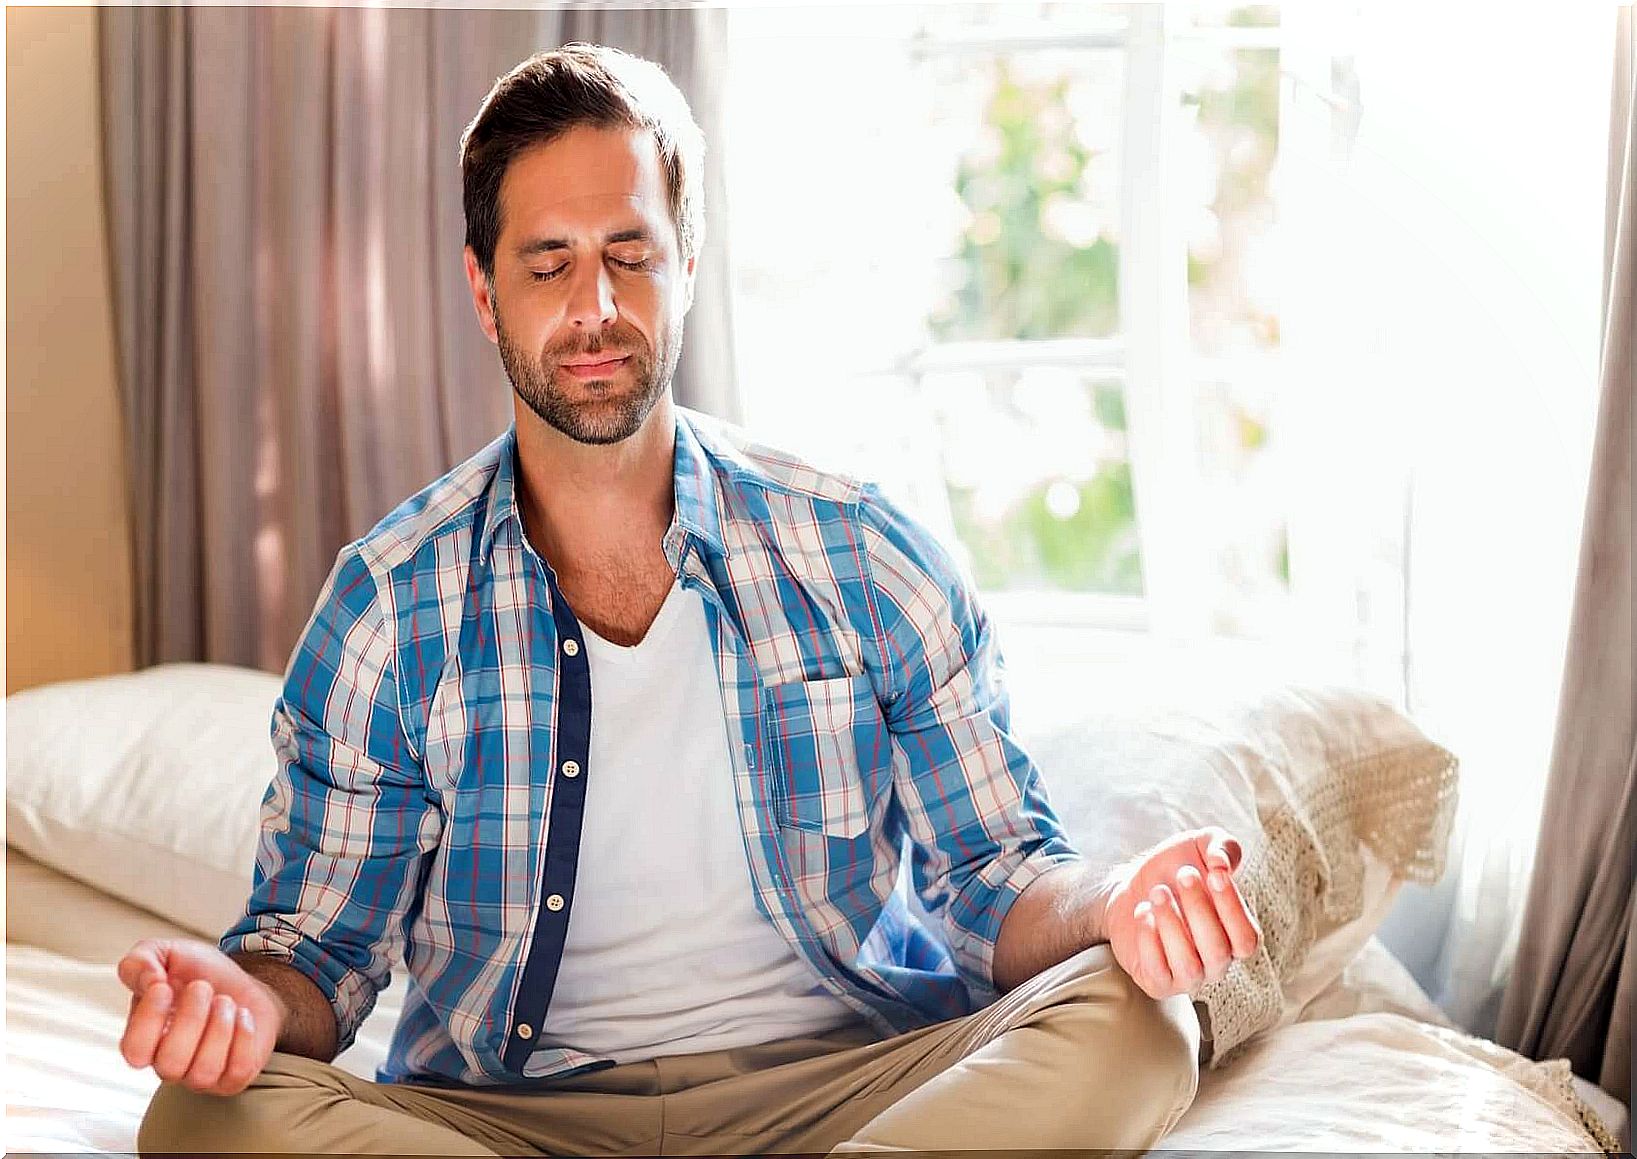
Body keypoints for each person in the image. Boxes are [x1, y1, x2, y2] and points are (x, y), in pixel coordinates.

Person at [123, 42, 1261, 1157]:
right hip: (516, 1118)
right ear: (483, 291)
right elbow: (316, 954)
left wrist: (1114, 901)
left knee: (1138, 1022)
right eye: (547, 261)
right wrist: (244, 1003)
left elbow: (993, 880)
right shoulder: (388, 604)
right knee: (205, 1118)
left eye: (630, 252)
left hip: (842, 1083)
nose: (594, 305)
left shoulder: (860, 552)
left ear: (686, 266)